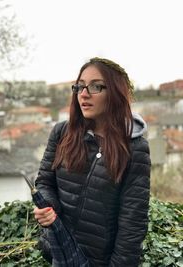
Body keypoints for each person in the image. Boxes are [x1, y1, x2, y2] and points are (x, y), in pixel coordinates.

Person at [33, 57, 151, 267]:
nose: (84, 94)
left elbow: (132, 224)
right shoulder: (62, 133)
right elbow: (44, 181)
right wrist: (50, 208)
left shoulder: (135, 147)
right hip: (60, 251)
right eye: (79, 87)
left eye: (96, 86)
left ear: (115, 92)